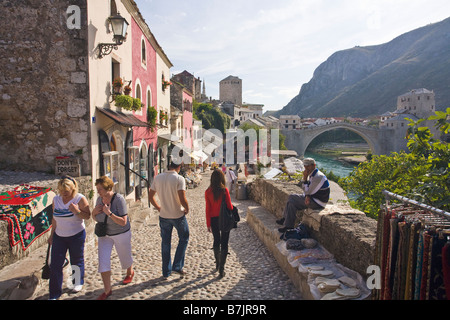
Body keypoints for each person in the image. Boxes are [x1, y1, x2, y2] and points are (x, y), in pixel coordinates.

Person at [48, 176, 91, 300]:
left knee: (76, 259)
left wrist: (77, 211)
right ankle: (54, 293)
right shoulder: (56, 200)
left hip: (76, 235)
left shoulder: (80, 199)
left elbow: (87, 216)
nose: (64, 195)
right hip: (59, 236)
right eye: (61, 191)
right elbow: (54, 219)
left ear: (73, 189)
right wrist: (52, 235)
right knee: (55, 264)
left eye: (66, 192)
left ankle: (77, 282)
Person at [92, 176, 134, 300]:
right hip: (105, 235)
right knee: (103, 261)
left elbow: (123, 222)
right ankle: (107, 290)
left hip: (121, 233)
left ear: (108, 188)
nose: (98, 192)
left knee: (125, 258)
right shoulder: (99, 200)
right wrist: (94, 212)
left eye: (100, 189)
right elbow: (95, 219)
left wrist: (109, 213)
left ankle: (130, 271)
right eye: (97, 189)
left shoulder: (119, 199)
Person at [149, 161, 190, 279]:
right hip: (177, 215)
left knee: (165, 243)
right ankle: (177, 265)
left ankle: (166, 271)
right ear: (179, 166)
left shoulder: (158, 178)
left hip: (164, 216)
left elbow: (150, 196)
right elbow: (182, 198)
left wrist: (158, 207)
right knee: (184, 238)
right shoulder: (179, 178)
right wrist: (187, 208)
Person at [277, 158, 330, 233]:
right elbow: (308, 191)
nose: (306, 168)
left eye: (308, 166)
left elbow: (308, 191)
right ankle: (287, 224)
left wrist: (305, 179)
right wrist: (307, 195)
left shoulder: (318, 177)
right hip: (314, 198)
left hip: (318, 202)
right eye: (305, 166)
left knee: (292, 198)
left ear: (313, 165)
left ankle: (286, 222)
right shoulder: (313, 174)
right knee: (292, 202)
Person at [205, 169, 234, 278]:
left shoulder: (208, 192)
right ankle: (222, 268)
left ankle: (217, 263)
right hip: (224, 219)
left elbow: (208, 209)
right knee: (224, 242)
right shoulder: (224, 190)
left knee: (216, 240)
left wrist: (208, 223)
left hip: (213, 219)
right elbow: (230, 206)